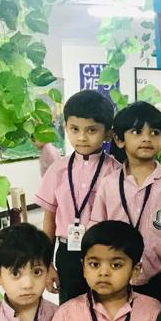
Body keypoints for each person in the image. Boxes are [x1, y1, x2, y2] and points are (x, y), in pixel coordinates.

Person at [93, 101, 161, 307]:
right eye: (137, 132)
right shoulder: (109, 184)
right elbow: (97, 227)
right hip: (116, 274)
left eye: (155, 133)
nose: (146, 138)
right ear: (119, 140)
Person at [36, 90, 118, 303]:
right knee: (70, 308)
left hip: (104, 254)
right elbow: (49, 219)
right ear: (66, 128)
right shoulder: (58, 169)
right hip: (67, 252)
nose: (81, 137)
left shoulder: (116, 172)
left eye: (91, 130)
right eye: (74, 129)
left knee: (104, 307)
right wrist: (47, 264)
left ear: (108, 133)